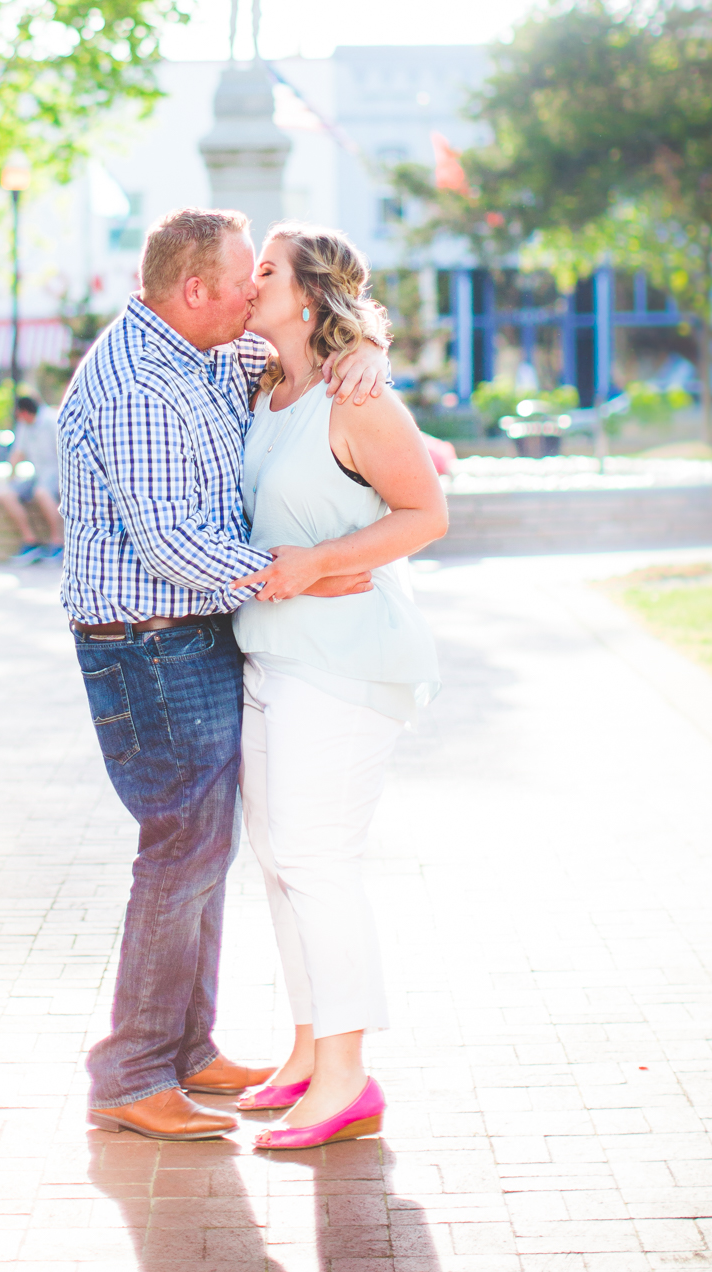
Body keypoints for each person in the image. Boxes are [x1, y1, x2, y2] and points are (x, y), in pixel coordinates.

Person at [57, 206, 390, 1142]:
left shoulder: (208, 350)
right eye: (244, 279)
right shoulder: (135, 382)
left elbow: (305, 353)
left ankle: (184, 1049)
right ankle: (130, 1073)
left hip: (193, 636)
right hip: (148, 642)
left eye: (261, 277)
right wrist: (295, 573)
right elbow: (168, 540)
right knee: (182, 850)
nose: (255, 292)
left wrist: (368, 356)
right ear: (197, 290)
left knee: (206, 849)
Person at [230, 224, 448, 1151]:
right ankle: (309, 1052)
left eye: (265, 270)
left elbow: (426, 513)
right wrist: (359, 340)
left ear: (308, 295)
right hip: (271, 656)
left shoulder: (358, 401)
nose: (247, 281)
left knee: (317, 860)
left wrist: (321, 559)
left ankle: (349, 1078)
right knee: (282, 864)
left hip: (346, 663)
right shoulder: (261, 384)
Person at [0, 394, 63, 565]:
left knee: (42, 493)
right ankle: (30, 541)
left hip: (57, 471)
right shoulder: (24, 425)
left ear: (24, 412)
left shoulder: (51, 421)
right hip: (39, 473)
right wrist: (10, 478)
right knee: (6, 495)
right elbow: (18, 452)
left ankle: (58, 542)